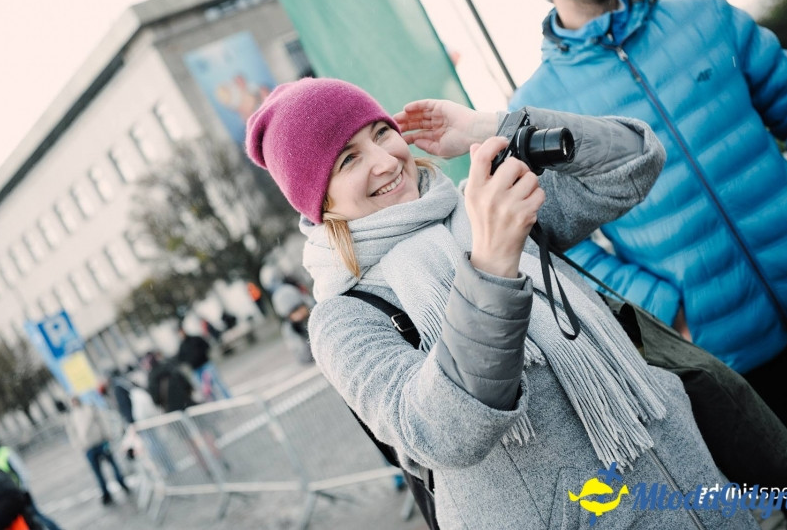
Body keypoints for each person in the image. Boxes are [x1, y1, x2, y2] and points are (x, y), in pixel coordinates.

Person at [245, 77, 757, 528]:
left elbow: (633, 161)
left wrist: (493, 126)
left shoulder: (488, 203)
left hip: (699, 492)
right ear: (320, 200)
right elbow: (439, 433)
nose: (384, 161)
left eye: (381, 133)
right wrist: (491, 266)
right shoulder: (343, 317)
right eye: (348, 160)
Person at [491, 0, 787, 484]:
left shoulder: (707, 17)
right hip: (726, 352)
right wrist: (664, 311)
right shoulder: (538, 106)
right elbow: (555, 243)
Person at [0, 439, 60, 530]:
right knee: (32, 518)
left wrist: (23, 489)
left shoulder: (4, 453)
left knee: (36, 516)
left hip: (19, 492)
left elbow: (20, 470)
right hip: (14, 494)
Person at [64, 396, 130, 505]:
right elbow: (72, 433)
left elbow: (102, 422)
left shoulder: (90, 409)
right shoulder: (72, 416)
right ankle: (105, 492)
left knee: (113, 465)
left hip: (100, 442)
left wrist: (107, 435)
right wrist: (79, 445)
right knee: (98, 472)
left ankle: (121, 483)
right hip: (88, 447)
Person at [176, 324, 231, 401]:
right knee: (206, 390)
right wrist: (190, 360)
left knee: (217, 383)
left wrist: (200, 355)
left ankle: (229, 399)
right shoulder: (182, 346)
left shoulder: (195, 339)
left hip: (206, 365)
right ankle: (215, 402)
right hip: (196, 369)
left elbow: (206, 346)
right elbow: (181, 359)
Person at [271, 283, 314, 364]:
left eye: (299, 308)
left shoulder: (315, 310)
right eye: (293, 312)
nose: (299, 314)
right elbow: (303, 356)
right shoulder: (290, 329)